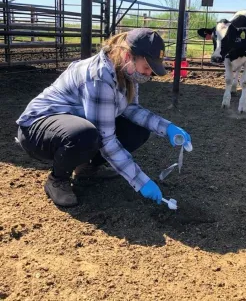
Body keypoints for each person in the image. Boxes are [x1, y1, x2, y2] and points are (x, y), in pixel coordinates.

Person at [16, 28, 192, 208]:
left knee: (136, 130)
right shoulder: (98, 76)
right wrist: (141, 181)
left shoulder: (127, 72)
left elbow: (131, 109)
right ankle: (57, 179)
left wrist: (167, 128)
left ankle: (87, 168)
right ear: (127, 55)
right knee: (85, 134)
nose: (149, 74)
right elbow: (106, 139)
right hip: (37, 129)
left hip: (72, 123)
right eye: (147, 67)